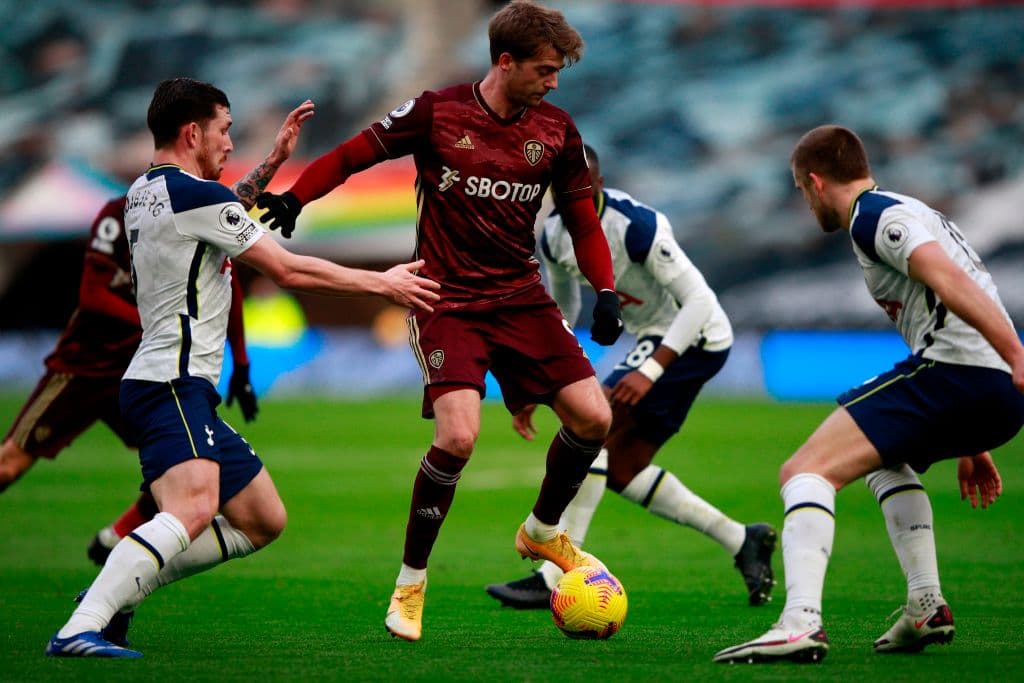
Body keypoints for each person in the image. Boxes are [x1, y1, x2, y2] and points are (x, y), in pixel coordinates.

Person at [256, 0, 623, 642]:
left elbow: (583, 220)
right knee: (457, 438)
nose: (554, 81)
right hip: (443, 298)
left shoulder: (558, 131)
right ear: (504, 62)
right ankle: (410, 583)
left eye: (559, 70)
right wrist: (294, 197)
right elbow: (352, 155)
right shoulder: (435, 112)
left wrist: (606, 290)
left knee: (595, 418)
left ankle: (541, 531)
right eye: (545, 68)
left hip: (521, 298)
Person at [45, 77, 439, 658]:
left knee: (261, 518)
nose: (232, 144)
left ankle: (115, 591)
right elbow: (286, 270)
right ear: (192, 131)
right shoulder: (196, 197)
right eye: (226, 131)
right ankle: (84, 623)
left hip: (171, 383)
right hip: (170, 383)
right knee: (194, 510)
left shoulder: (145, 192)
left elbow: (225, 211)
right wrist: (381, 282)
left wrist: (275, 164)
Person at [713, 125, 1024, 664]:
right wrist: (974, 438)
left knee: (804, 469)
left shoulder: (875, 217)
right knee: (884, 456)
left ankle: (799, 622)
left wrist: (1016, 354)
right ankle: (926, 604)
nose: (804, 203)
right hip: (985, 387)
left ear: (814, 183)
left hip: (969, 373)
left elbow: (951, 281)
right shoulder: (906, 209)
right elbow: (947, 299)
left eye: (800, 191)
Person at [484, 144, 776, 610]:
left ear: (597, 185)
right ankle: (743, 540)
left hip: (696, 338)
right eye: (557, 190)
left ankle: (552, 575)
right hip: (652, 339)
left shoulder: (638, 228)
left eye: (576, 187)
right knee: (622, 469)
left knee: (591, 428)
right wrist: (538, 380)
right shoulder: (555, 236)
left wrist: (653, 368)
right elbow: (563, 309)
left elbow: (700, 302)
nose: (565, 198)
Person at [1, 96, 319, 495]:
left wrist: (239, 360)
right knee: (10, 464)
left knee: (182, 469)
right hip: (88, 365)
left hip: (149, 368)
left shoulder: (194, 212)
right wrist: (161, 322)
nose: (229, 143)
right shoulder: (119, 216)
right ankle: (136, 544)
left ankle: (117, 541)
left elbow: (227, 278)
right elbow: (94, 296)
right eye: (224, 131)